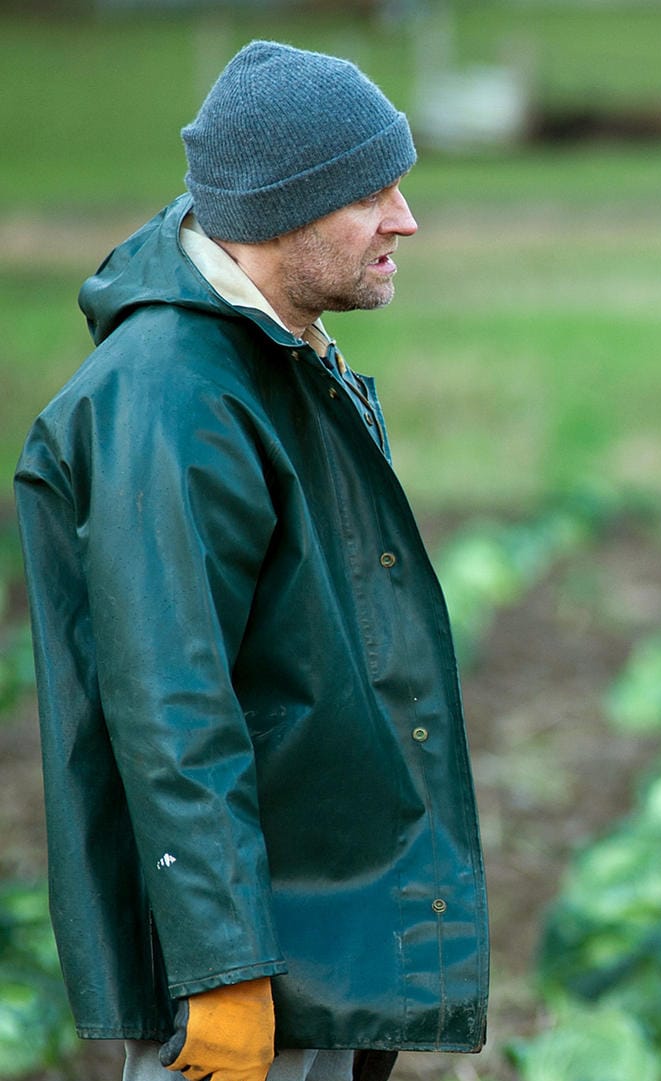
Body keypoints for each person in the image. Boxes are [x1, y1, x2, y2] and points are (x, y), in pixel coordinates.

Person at [13, 41, 486, 1081]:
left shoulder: (279, 356)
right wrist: (223, 971)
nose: (405, 220)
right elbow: (171, 710)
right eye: (373, 193)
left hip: (325, 936)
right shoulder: (175, 399)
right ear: (285, 209)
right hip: (256, 969)